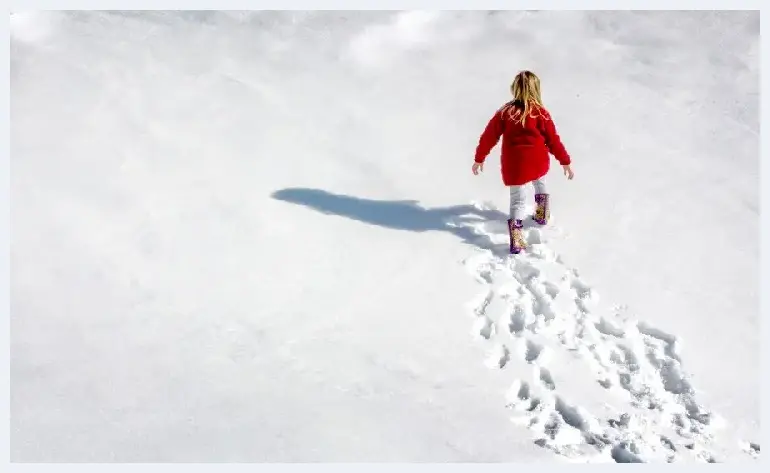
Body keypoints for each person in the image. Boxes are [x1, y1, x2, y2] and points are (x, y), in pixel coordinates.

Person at [472, 70, 574, 254]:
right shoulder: (541, 113)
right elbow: (553, 140)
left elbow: (489, 136)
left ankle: (517, 236)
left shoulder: (505, 112)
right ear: (537, 89)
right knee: (540, 182)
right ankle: (542, 214)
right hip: (538, 161)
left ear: (515, 89)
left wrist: (480, 158)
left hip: (515, 165)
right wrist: (564, 161)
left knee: (518, 200)